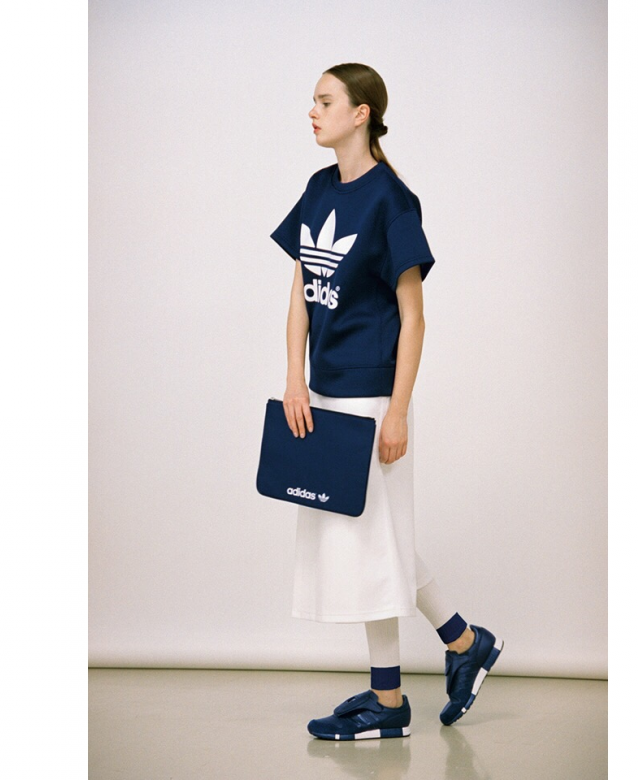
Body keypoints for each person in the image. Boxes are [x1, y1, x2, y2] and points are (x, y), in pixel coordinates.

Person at [270, 63, 503, 741]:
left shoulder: (393, 201)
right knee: (372, 541)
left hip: (372, 398)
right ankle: (464, 645)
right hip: (322, 394)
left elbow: (414, 316)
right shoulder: (319, 189)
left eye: (325, 100)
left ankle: (390, 699)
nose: (312, 111)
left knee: (374, 547)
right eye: (313, 100)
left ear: (361, 113)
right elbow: (300, 293)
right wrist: (294, 378)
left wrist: (398, 410)